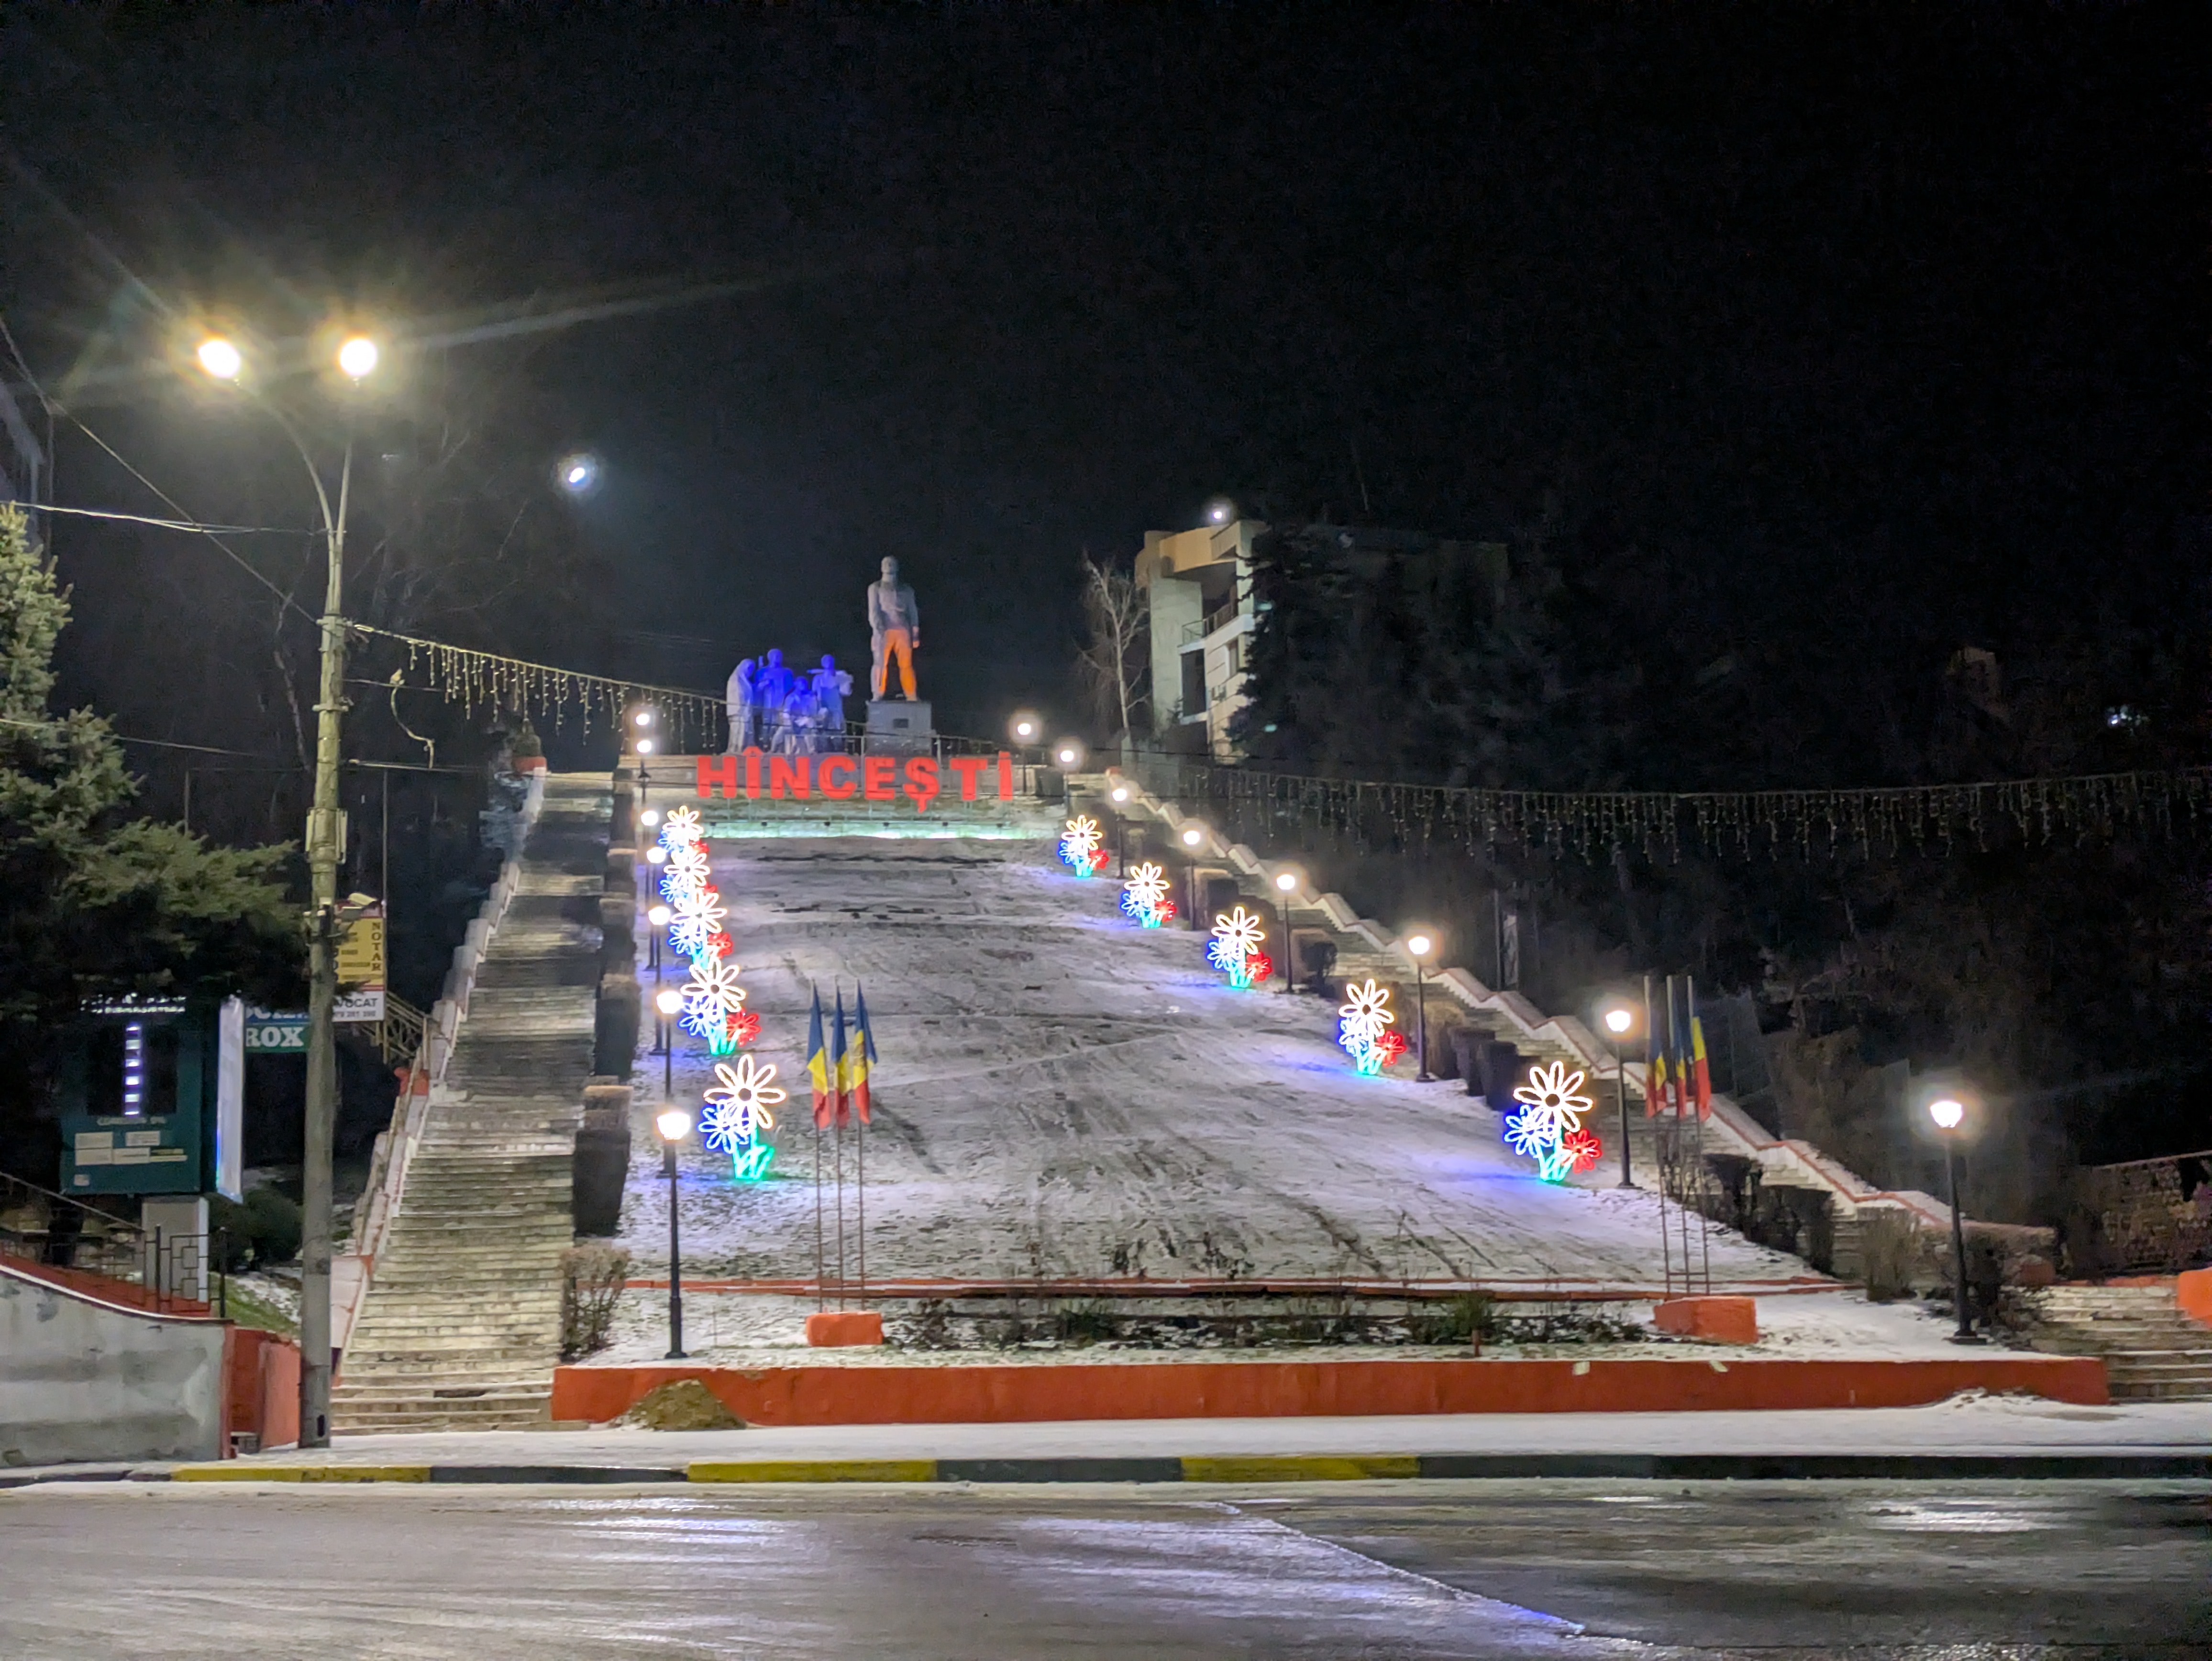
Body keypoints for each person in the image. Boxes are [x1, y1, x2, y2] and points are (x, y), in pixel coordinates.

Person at [867, 557, 921, 700]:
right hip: (884, 630)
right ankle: (878, 694)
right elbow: (874, 612)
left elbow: (913, 611)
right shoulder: (875, 588)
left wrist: (915, 633)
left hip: (903, 630)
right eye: (886, 563)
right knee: (880, 664)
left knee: (906, 665)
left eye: (892, 564)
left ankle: (911, 694)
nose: (889, 566)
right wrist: (879, 630)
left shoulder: (906, 590)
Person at [811, 654, 853, 744]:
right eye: (826, 661)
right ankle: (822, 749)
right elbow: (814, 695)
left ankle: (838, 750)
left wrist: (845, 679)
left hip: (836, 709)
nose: (828, 663)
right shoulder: (818, 679)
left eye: (830, 661)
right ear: (822, 664)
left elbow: (846, 692)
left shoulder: (839, 677)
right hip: (822, 709)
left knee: (837, 730)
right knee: (822, 730)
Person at [724, 657, 756, 753]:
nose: (750, 672)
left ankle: (745, 749)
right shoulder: (735, 679)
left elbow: (750, 692)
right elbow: (738, 694)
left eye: (752, 670)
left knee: (746, 731)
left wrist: (757, 688)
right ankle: (736, 750)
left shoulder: (744, 680)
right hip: (739, 710)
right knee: (738, 731)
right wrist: (742, 708)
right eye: (749, 669)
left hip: (746, 710)